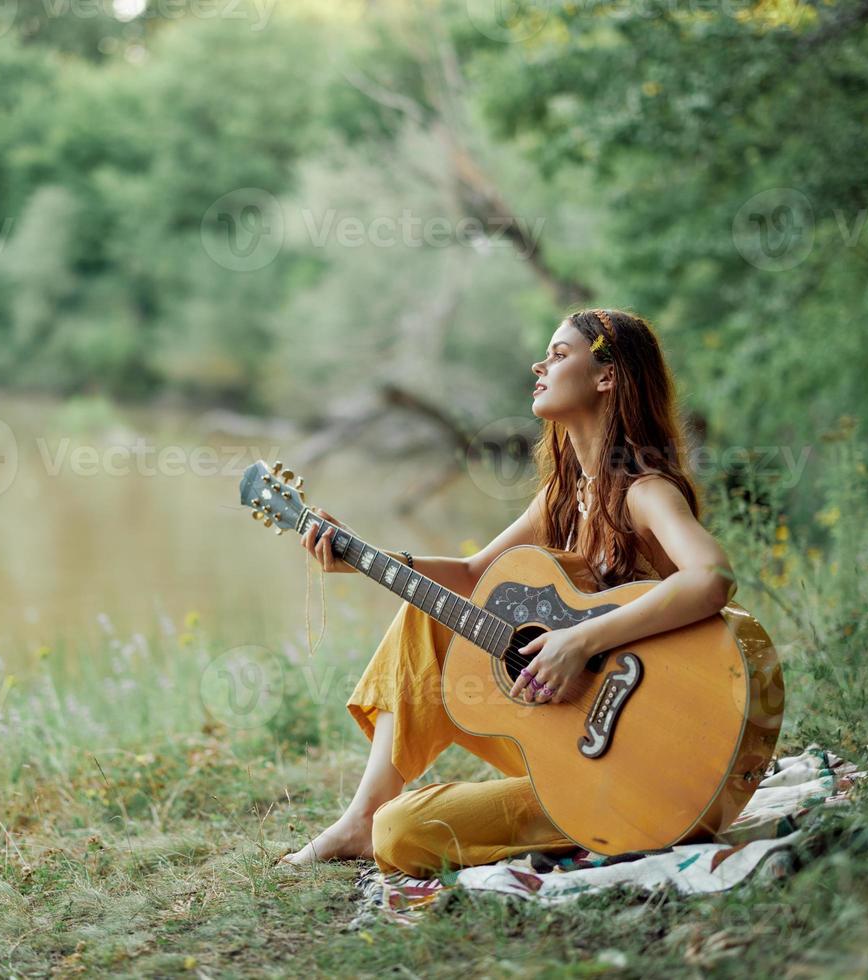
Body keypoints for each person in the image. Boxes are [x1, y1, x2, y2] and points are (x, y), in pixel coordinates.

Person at [278, 308, 738, 876]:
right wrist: (357, 555)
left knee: (401, 834)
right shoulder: (565, 497)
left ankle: (386, 825)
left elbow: (712, 578)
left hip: (651, 766)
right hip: (574, 732)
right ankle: (359, 819)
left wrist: (578, 640)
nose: (538, 365)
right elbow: (474, 575)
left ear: (606, 376)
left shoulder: (645, 492)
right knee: (425, 612)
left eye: (559, 353)